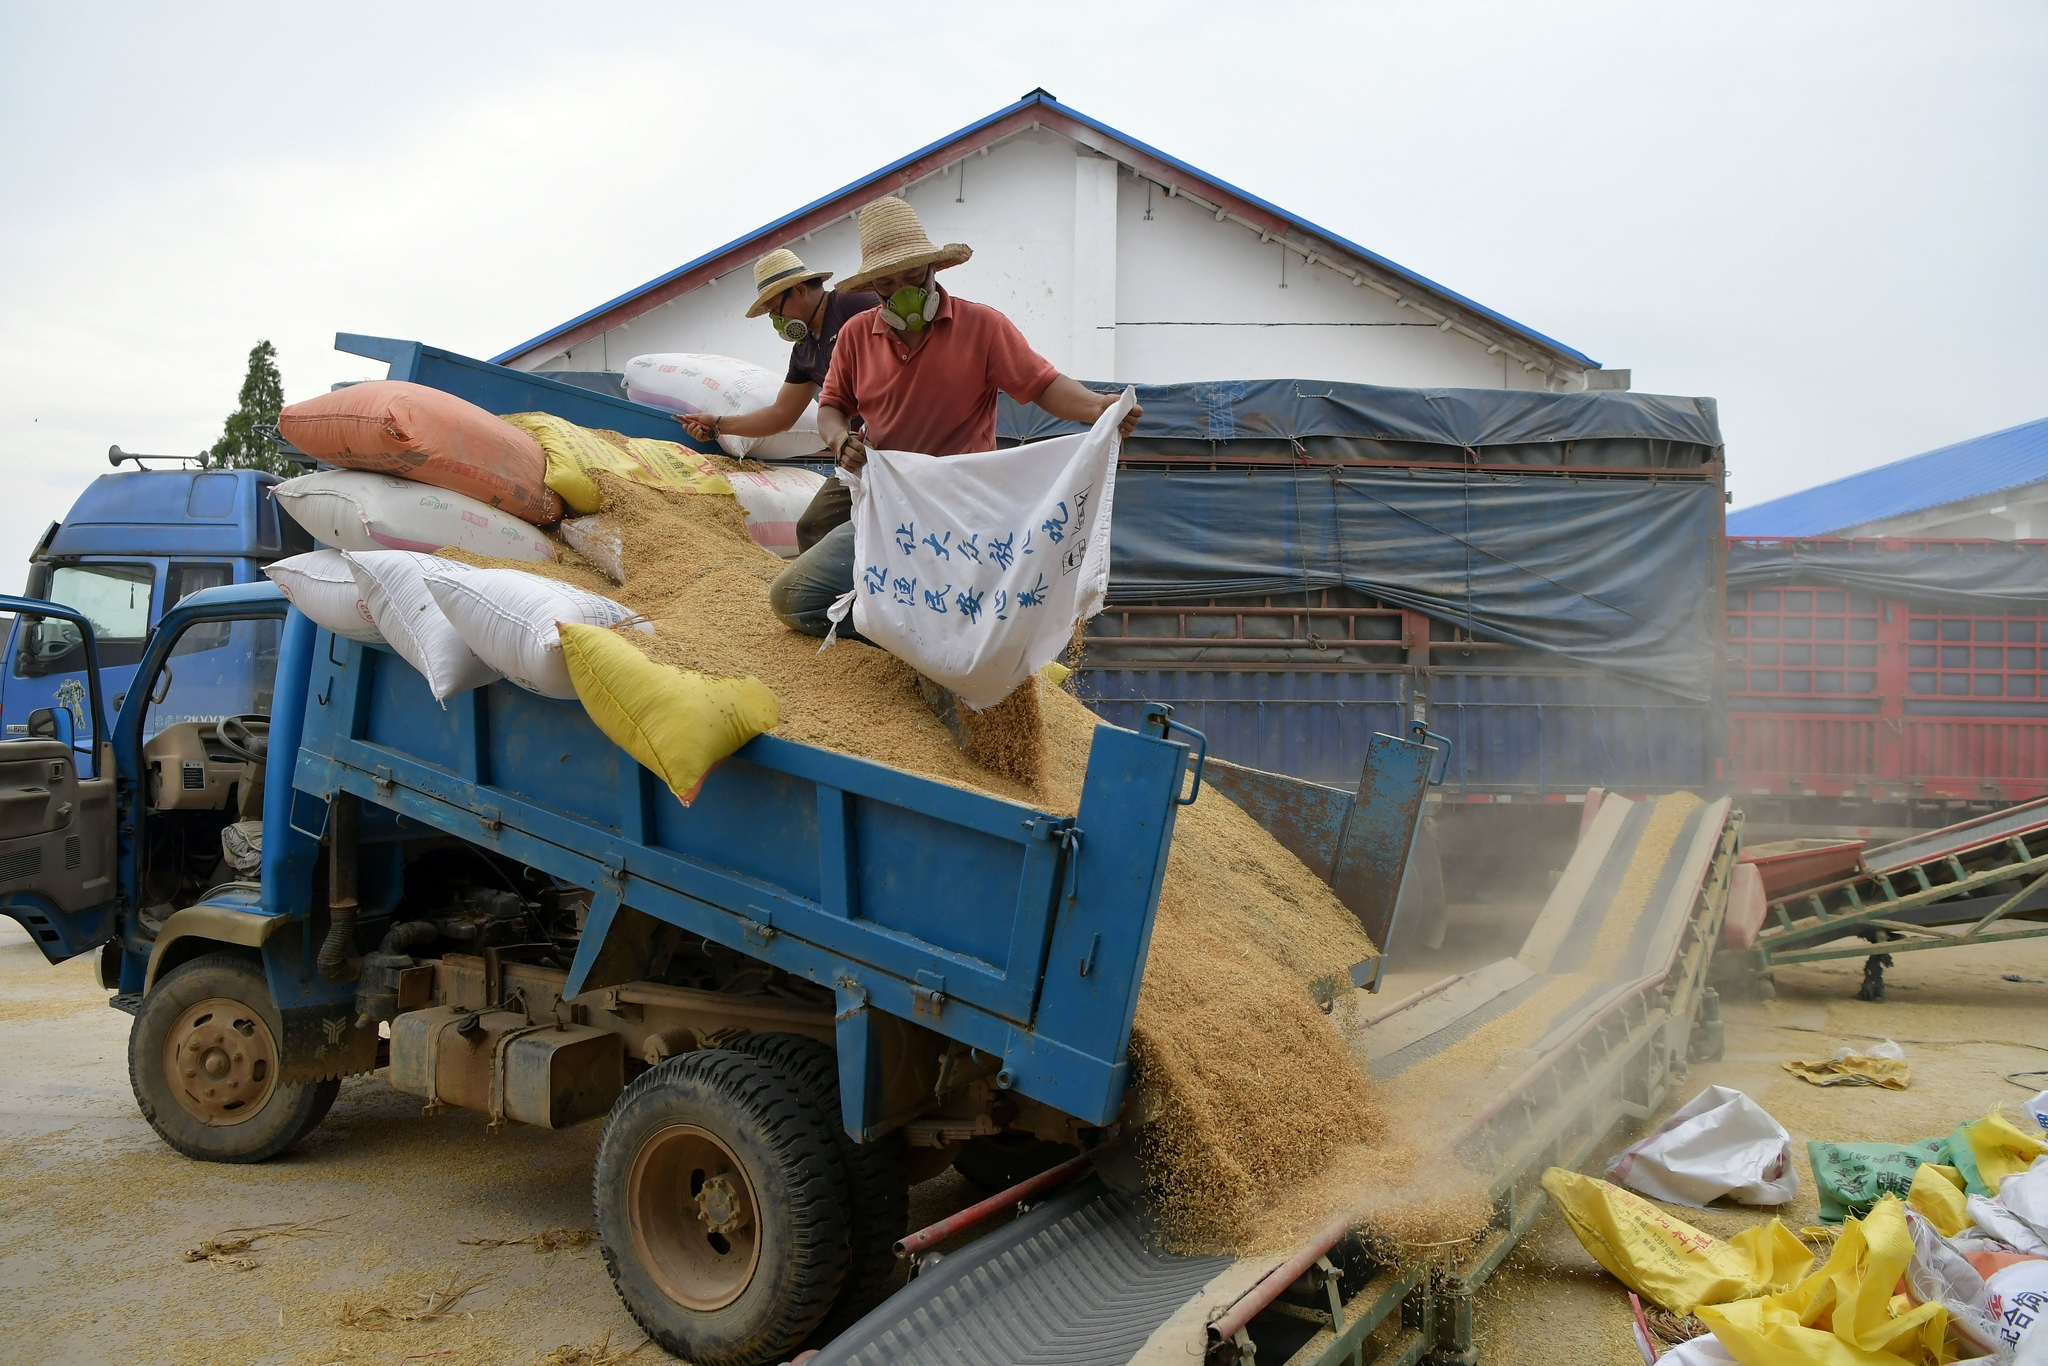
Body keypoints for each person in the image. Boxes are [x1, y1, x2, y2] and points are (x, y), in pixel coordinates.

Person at [769, 196, 1140, 638]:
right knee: (793, 598)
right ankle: (900, 633)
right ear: (874, 287)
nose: (904, 289)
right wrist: (839, 441)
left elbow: (1042, 386)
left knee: (959, 620)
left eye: (913, 276)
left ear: (933, 270)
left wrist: (1097, 407)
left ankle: (933, 639)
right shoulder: (855, 336)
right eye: (888, 281)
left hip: (962, 513)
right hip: (890, 509)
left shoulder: (982, 327)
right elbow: (831, 405)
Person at [677, 249, 876, 550]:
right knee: (813, 527)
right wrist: (718, 425)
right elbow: (782, 414)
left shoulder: (853, 304)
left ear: (799, 289)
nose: (775, 320)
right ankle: (847, 595)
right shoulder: (804, 351)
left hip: (905, 438)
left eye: (774, 309)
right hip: (857, 449)